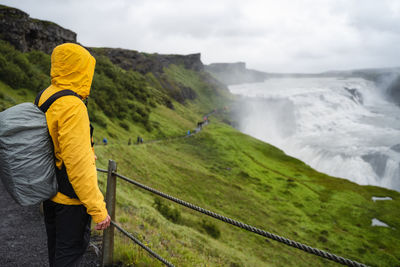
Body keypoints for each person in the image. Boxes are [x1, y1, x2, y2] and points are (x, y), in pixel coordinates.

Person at [36, 43, 110, 267]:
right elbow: (78, 163)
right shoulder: (73, 106)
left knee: (57, 253)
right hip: (70, 199)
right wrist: (98, 209)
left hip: (49, 192)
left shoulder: (47, 94)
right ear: (81, 69)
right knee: (68, 256)